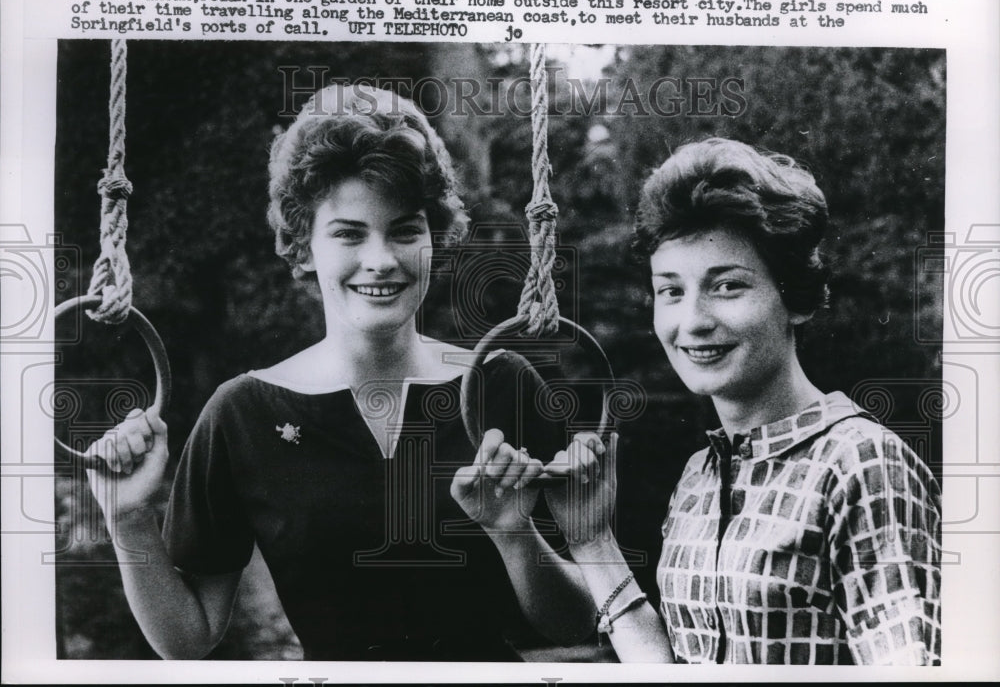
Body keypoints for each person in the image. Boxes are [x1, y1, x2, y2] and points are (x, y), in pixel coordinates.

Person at [84, 83, 595, 661]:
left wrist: (515, 535)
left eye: (405, 229)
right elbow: (189, 637)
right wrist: (127, 521)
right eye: (349, 233)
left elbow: (574, 624)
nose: (381, 260)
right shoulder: (243, 413)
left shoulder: (503, 384)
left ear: (434, 237)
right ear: (303, 246)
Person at [541, 137, 942, 664]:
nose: (693, 321)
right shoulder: (697, 476)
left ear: (794, 297)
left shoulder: (862, 465)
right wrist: (593, 541)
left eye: (727, 286)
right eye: (671, 291)